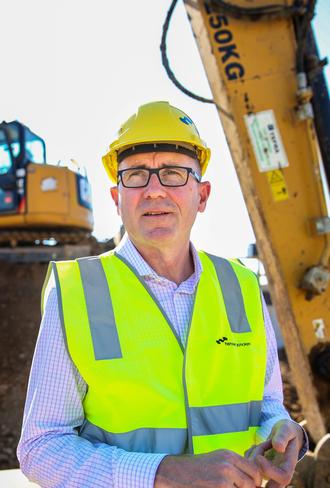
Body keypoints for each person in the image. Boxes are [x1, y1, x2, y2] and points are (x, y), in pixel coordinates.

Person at [17, 101, 307, 487]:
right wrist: (163, 473)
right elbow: (41, 446)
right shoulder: (77, 291)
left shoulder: (242, 285)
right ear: (116, 197)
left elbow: (267, 405)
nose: (154, 190)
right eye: (136, 175)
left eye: (172, 173)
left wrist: (284, 431)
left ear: (202, 196)